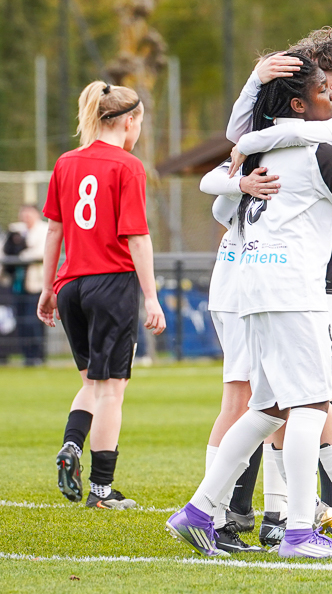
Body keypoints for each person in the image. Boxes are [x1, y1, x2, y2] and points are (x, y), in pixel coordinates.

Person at [166, 53, 332, 560]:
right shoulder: (325, 151)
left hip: (251, 290)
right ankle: (298, 533)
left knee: (266, 408)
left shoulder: (256, 154)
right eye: (323, 96)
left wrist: (249, 178)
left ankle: (199, 511)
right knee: (309, 405)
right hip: (296, 293)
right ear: (298, 103)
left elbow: (223, 205)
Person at [224, 28, 332, 551]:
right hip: (297, 278)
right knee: (286, 400)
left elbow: (251, 139)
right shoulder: (313, 122)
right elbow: (242, 139)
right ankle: (296, 510)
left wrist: (255, 106)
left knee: (306, 401)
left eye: (309, 74)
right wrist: (255, 86)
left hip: (326, 281)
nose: (298, 80)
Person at [38, 81, 166, 509]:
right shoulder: (127, 166)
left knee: (91, 383)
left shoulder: (66, 163)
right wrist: (150, 296)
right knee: (112, 389)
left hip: (70, 284)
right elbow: (137, 237)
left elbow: (54, 230)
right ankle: (101, 490)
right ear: (130, 121)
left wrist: (47, 287)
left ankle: (72, 444)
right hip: (111, 283)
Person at [5, 206, 48, 365]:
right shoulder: (15, 230)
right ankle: (27, 356)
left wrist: (19, 254)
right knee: (21, 320)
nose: (26, 217)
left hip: (36, 284)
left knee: (34, 321)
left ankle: (37, 355)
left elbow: (41, 253)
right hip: (18, 284)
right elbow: (5, 251)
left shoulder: (44, 230)